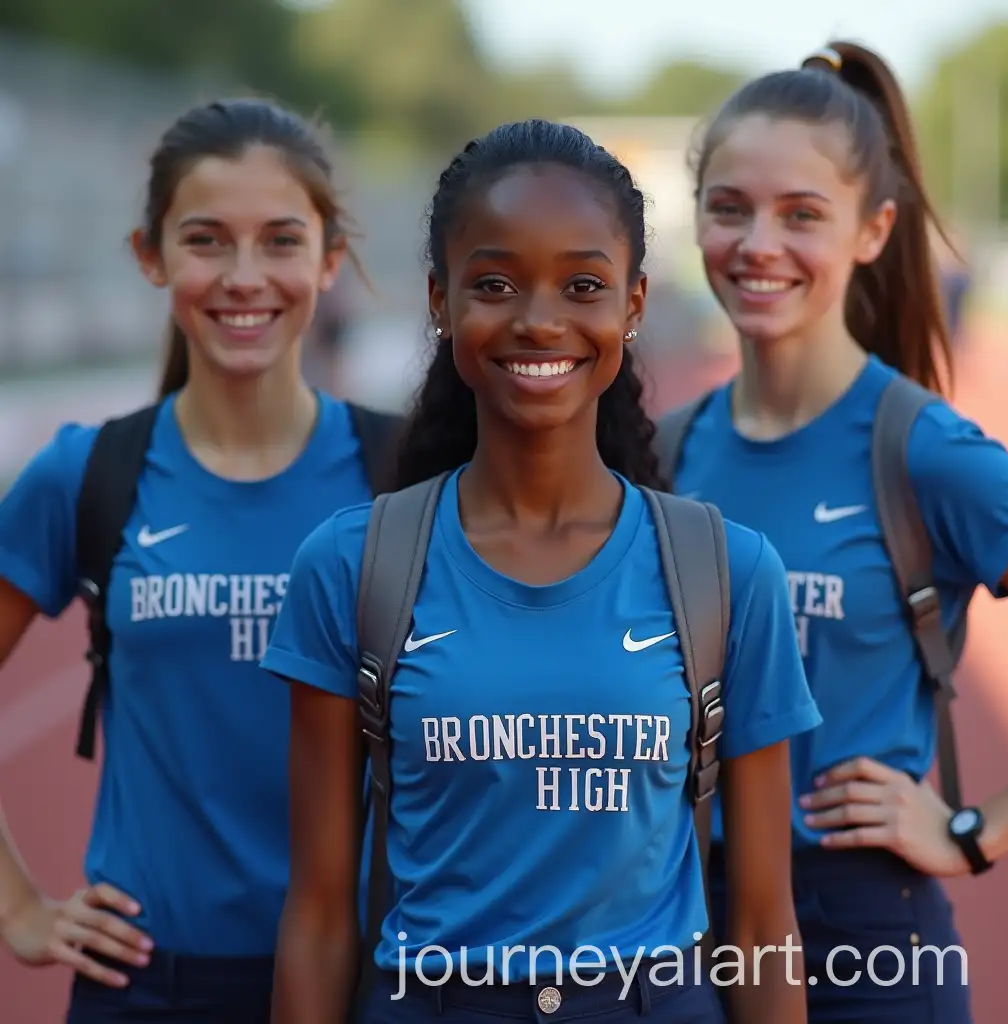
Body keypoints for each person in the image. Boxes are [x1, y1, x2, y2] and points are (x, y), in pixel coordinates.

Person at [260, 118, 822, 1024]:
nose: (539, 319)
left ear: (634, 304)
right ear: (441, 301)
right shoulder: (350, 565)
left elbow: (761, 922)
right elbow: (321, 915)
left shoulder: (728, 572)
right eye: (495, 283)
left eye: (584, 284)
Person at [0, 97, 397, 1022]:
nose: (244, 276)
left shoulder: (404, 475)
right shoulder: (86, 474)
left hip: (365, 982)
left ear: (329, 261)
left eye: (281, 240)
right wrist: (20, 909)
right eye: (208, 240)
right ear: (152, 256)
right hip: (148, 987)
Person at [661, 41, 1008, 1023]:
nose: (757, 243)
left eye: (801, 215)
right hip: (679, 921)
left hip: (863, 930)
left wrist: (974, 830)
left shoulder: (927, 453)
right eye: (729, 207)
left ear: (872, 231)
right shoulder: (663, 452)